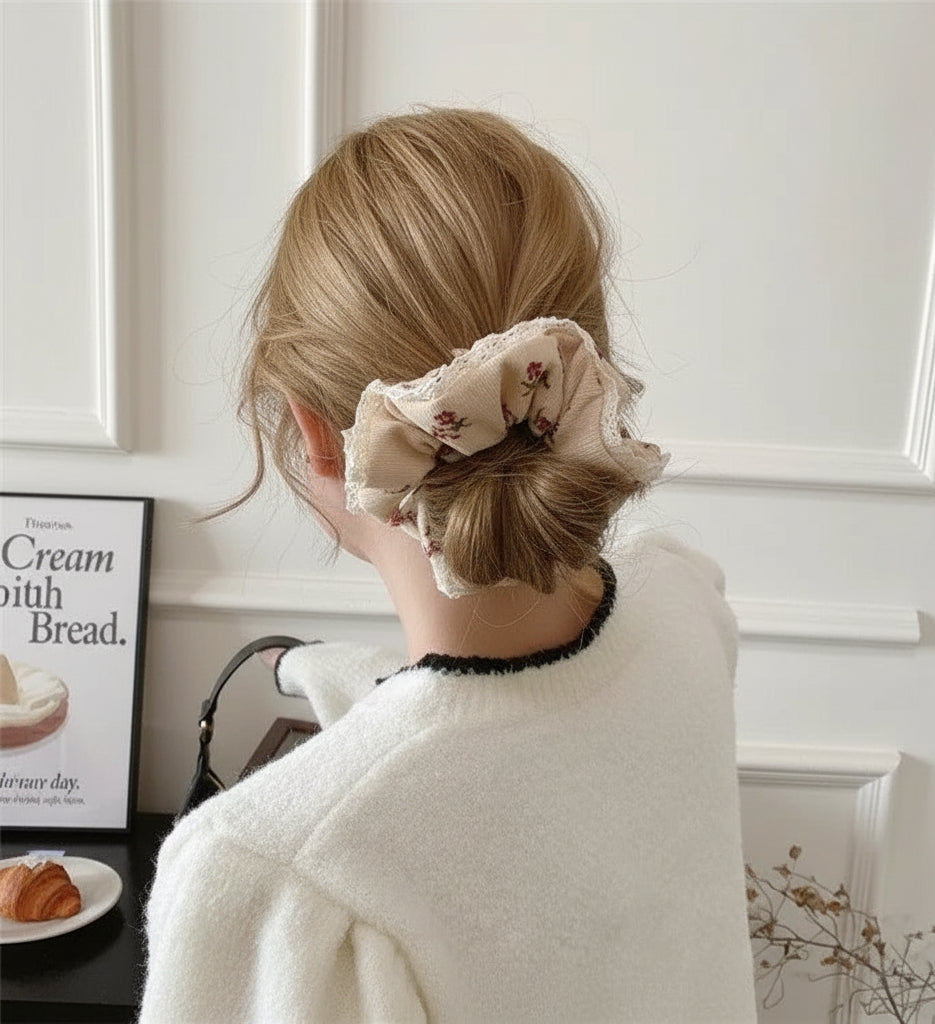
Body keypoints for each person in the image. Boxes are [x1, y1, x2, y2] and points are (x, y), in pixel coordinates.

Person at [140, 107, 756, 1023]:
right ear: (573, 367)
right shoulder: (687, 604)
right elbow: (529, 746)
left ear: (314, 433)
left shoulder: (279, 875)